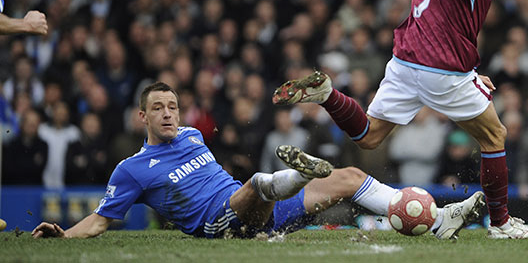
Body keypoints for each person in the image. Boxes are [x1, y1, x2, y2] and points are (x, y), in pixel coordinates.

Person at [273, 0, 528, 239]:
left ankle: (328, 95)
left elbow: (448, 14)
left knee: (369, 137)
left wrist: (471, 70)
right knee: (495, 136)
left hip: (407, 61)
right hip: (439, 68)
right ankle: (501, 224)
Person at [32, 82, 484, 240]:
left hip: (256, 213)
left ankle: (440, 217)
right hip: (218, 222)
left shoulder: (191, 134)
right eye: (159, 108)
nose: (168, 113)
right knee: (254, 183)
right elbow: (100, 221)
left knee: (349, 175)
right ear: (142, 116)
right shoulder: (131, 168)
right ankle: (287, 175)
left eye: (172, 105)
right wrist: (63, 233)